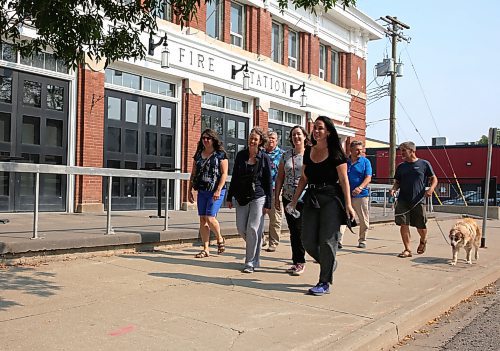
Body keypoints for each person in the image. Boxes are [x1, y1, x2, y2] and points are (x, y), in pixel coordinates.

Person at [288, 116, 355, 296]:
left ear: (328, 132)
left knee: (327, 241)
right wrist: (294, 201)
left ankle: (324, 282)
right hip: (311, 198)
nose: (316, 131)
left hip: (331, 199)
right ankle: (329, 263)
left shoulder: (336, 153)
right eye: (315, 128)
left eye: (320, 128)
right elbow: (304, 178)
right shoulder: (309, 150)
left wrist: (348, 204)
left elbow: (343, 180)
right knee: (307, 240)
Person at [226, 127, 273, 273]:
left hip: (258, 196)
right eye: (251, 138)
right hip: (241, 196)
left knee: (252, 228)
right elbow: (234, 177)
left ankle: (250, 262)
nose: (252, 141)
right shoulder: (241, 155)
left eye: (255, 139)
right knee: (241, 228)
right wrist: (229, 196)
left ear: (260, 142)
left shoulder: (264, 158)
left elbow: (268, 181)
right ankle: (257, 242)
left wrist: (268, 203)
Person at [389, 141, 438, 258]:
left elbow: (434, 179)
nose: (401, 153)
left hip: (418, 200)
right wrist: (393, 189)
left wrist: (431, 189)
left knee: (420, 226)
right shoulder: (401, 166)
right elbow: (397, 182)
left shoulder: (424, 164)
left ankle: (423, 239)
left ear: (412, 151)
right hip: (403, 200)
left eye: (403, 150)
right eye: (401, 150)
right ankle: (407, 249)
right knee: (403, 224)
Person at [188, 129, 228, 258]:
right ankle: (205, 248)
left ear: (213, 140)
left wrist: (218, 189)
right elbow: (193, 173)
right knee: (202, 219)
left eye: (208, 138)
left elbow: (224, 174)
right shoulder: (199, 155)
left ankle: (220, 238)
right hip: (202, 190)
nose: (205, 140)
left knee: (210, 217)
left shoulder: (220, 155)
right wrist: (189, 190)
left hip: (216, 190)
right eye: (203, 138)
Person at [274, 126, 309, 275]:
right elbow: (280, 176)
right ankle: (298, 261)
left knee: (303, 230)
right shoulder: (286, 155)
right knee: (294, 231)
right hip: (288, 197)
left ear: (305, 137)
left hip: (305, 198)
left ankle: (314, 253)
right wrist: (276, 197)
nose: (296, 137)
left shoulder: (311, 154)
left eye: (299, 134)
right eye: (294, 135)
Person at [338, 140, 372, 249]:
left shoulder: (365, 162)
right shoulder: (345, 162)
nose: (359, 152)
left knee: (363, 219)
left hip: (360, 195)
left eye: (361, 150)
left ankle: (362, 240)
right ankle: (338, 240)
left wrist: (360, 187)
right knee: (342, 217)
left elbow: (368, 177)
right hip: (345, 194)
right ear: (351, 150)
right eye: (357, 150)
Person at [264, 131, 284, 252]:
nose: (270, 140)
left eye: (273, 138)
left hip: (276, 190)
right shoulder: (261, 153)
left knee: (275, 218)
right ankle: (261, 239)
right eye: (269, 138)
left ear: (277, 141)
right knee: (257, 217)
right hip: (261, 190)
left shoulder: (282, 155)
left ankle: (273, 242)